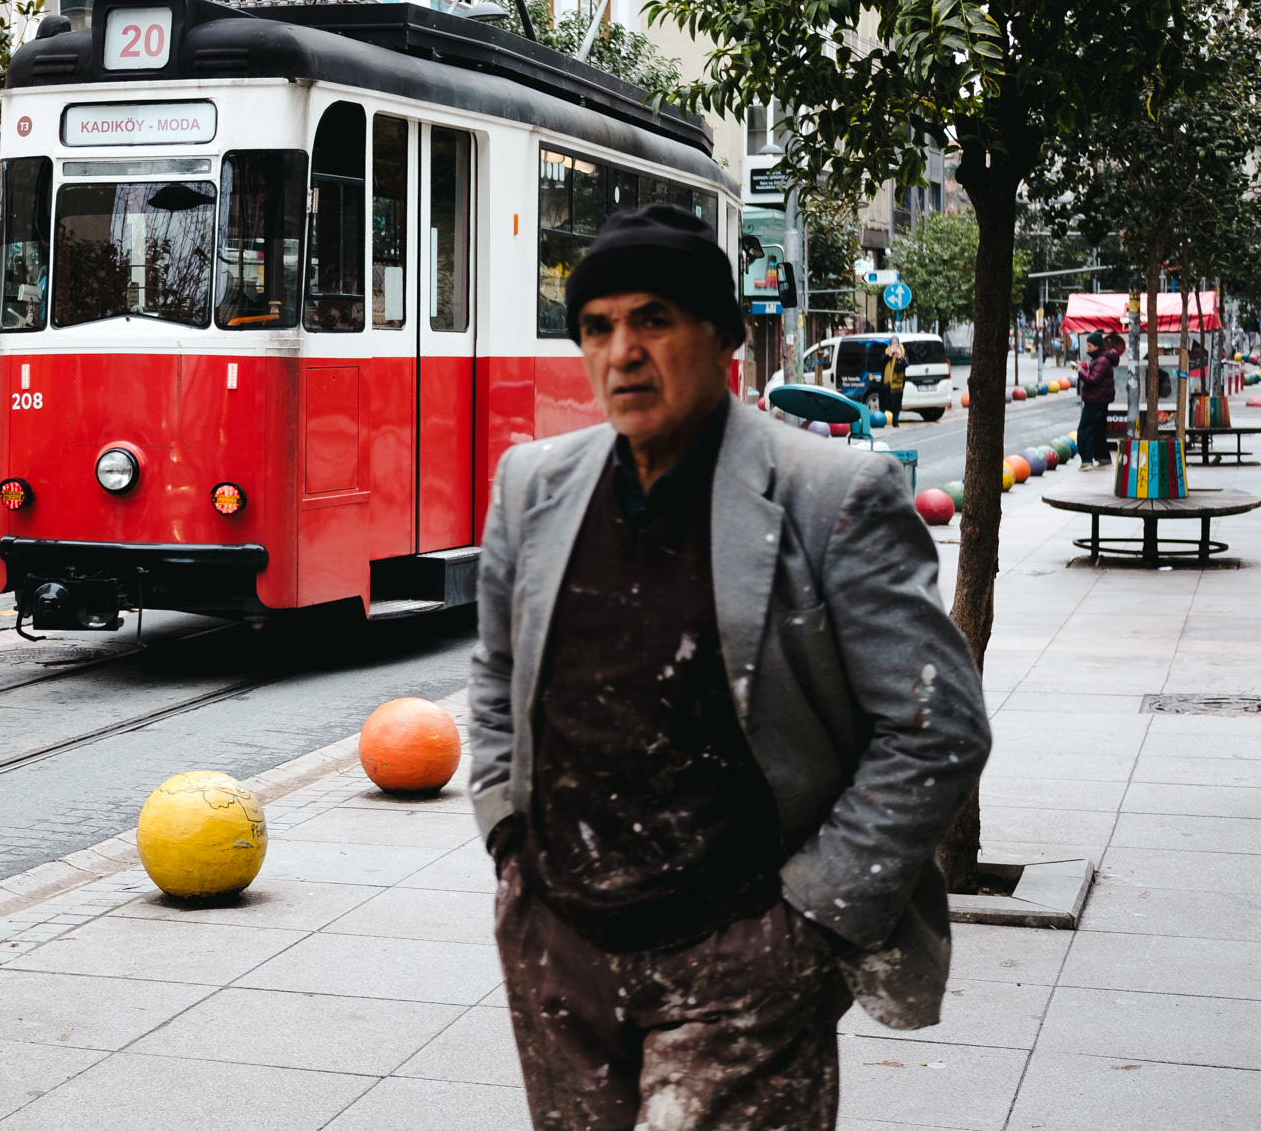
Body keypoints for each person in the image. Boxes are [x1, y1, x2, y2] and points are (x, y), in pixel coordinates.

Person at [469, 204, 991, 1131]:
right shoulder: (532, 487)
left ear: (723, 341)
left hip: (741, 959)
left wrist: (810, 923)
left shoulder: (832, 495)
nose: (622, 351)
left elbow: (935, 724)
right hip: (560, 949)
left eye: (654, 320)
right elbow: (499, 679)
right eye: (598, 326)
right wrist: (511, 846)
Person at [1077, 334, 1119, 469]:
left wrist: (1080, 371)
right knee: (1098, 430)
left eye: (1090, 346)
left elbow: (1093, 379)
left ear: (1097, 346)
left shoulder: (1101, 361)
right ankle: (1103, 457)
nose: (1088, 349)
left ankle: (1086, 461)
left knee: (1085, 429)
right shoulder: (1102, 359)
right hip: (1101, 399)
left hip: (1095, 399)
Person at [882, 336, 908, 428]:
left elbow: (905, 364)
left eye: (895, 343)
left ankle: (895, 421)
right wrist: (889, 355)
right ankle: (885, 420)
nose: (894, 345)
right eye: (892, 343)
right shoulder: (887, 351)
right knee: (887, 402)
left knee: (896, 403)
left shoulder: (902, 351)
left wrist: (899, 357)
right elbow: (881, 362)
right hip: (887, 383)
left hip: (898, 384)